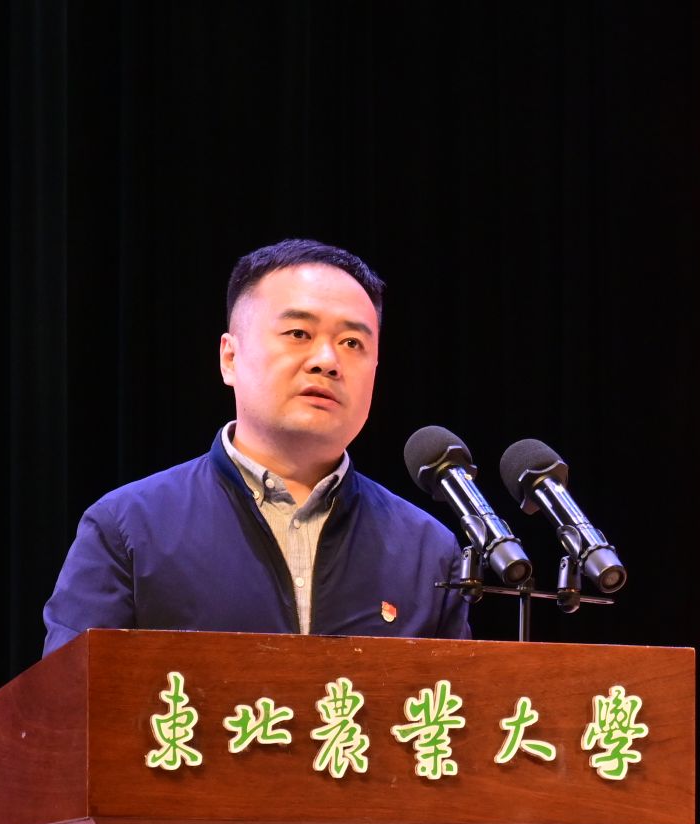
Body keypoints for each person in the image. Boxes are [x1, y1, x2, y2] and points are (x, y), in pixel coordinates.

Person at [40, 239, 471, 656]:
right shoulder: (129, 527)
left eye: (352, 343)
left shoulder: (427, 551)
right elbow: (68, 699)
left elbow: (454, 701)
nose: (327, 360)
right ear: (230, 357)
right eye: (299, 333)